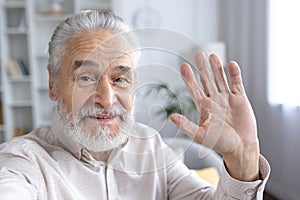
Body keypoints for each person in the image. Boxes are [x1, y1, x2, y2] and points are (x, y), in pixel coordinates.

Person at [0, 9, 270, 199]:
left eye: (119, 79)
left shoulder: (149, 144)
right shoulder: (22, 162)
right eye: (85, 77)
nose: (106, 99)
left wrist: (242, 158)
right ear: (53, 84)